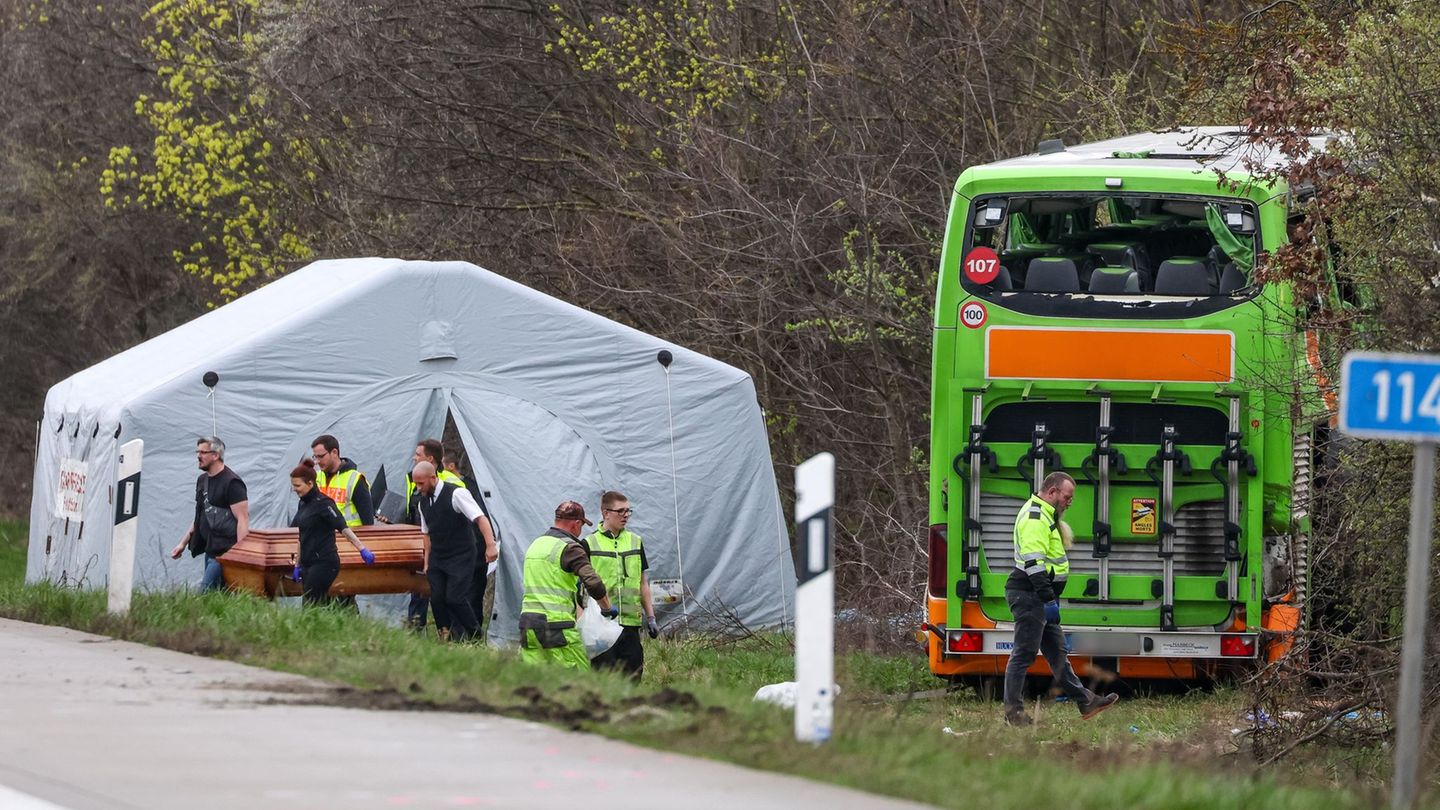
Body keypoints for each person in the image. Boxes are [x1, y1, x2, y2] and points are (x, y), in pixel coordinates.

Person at [1003, 471, 1119, 726]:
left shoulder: (1046, 515)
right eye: (1067, 497)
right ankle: (1014, 714)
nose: (1070, 502)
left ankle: (1085, 700)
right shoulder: (1035, 517)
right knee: (1023, 654)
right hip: (1031, 595)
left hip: (1041, 597)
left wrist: (1049, 599)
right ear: (1052, 491)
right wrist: (1047, 600)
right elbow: (1034, 564)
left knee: (1058, 654)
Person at [519, 501, 615, 668]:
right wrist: (606, 608)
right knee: (575, 681)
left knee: (535, 681)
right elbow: (593, 583)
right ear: (577, 523)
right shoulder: (570, 547)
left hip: (528, 626)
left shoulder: (536, 544)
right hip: (558, 627)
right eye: (582, 525)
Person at [413, 461, 497, 641]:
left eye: (421, 483)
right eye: (416, 483)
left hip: (461, 554)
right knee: (436, 599)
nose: (418, 488)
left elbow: (480, 518)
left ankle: (475, 636)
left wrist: (490, 545)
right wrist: (427, 562)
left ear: (433, 478)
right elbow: (426, 534)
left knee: (455, 598)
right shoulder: (422, 503)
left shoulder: (456, 494)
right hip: (438, 556)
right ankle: (446, 637)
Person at [586, 491, 659, 678]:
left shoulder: (635, 541)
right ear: (605, 513)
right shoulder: (589, 543)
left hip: (630, 623)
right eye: (620, 511)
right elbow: (580, 587)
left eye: (628, 511)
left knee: (633, 676)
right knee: (605, 679)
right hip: (603, 624)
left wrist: (650, 617)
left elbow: (643, 582)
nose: (625, 516)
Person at [288, 459, 375, 605]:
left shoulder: (324, 504)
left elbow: (343, 528)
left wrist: (362, 549)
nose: (295, 489)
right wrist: (297, 565)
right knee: (312, 605)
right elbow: (301, 537)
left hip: (324, 562)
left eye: (297, 485)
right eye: (293, 486)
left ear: (310, 484)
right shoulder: (303, 503)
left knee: (312, 604)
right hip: (307, 563)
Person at [169, 436, 249, 592]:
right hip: (210, 550)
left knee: (204, 594)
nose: (198, 456)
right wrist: (182, 543)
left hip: (226, 553)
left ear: (215, 455)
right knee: (219, 600)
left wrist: (240, 555)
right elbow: (200, 517)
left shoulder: (232, 483)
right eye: (197, 451)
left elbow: (243, 519)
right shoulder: (202, 480)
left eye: (203, 452)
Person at [445, 447, 497, 639]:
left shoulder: (465, 489)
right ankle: (460, 635)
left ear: (451, 466)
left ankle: (471, 635)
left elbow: (480, 519)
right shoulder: (461, 487)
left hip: (474, 552)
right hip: (466, 552)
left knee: (471, 596)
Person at [310, 434, 375, 527]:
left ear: (334, 452)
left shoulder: (355, 480)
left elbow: (368, 522)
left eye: (321, 456)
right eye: (315, 457)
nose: (317, 461)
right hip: (322, 539)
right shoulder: (315, 477)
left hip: (349, 538)